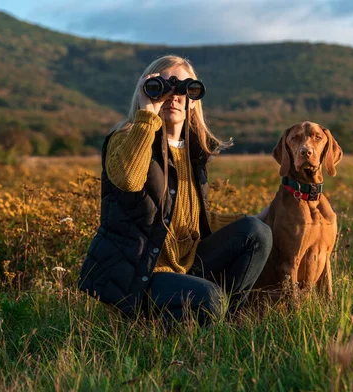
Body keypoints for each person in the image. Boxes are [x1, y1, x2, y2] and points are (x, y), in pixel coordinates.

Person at [78, 55, 272, 325]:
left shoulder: (192, 153)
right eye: (164, 86)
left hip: (184, 264)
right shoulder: (126, 137)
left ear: (193, 99)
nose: (174, 96)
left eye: (184, 88)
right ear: (147, 89)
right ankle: (143, 326)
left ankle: (226, 322)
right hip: (140, 275)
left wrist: (253, 219)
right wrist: (147, 114)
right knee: (210, 297)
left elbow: (189, 218)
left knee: (256, 233)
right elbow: (128, 179)